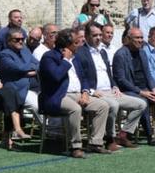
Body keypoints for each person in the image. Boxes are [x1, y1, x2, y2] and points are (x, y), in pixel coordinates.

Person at [38, 29, 110, 158]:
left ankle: (95, 143)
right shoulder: (49, 57)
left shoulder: (76, 57)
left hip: (77, 94)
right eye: (76, 43)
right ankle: (75, 146)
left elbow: (84, 78)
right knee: (75, 109)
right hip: (57, 96)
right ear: (67, 44)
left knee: (102, 106)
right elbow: (56, 76)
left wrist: (85, 92)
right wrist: (66, 60)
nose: (79, 45)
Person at [75, 22, 147, 148]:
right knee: (113, 105)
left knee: (141, 104)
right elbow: (80, 76)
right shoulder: (80, 53)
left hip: (110, 91)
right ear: (86, 36)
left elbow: (109, 73)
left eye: (99, 35)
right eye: (94, 35)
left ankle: (123, 135)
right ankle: (110, 138)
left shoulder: (102, 52)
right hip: (96, 93)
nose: (98, 38)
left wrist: (115, 86)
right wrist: (91, 91)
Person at [112, 26, 155, 145]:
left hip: (146, 89)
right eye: (137, 38)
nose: (140, 40)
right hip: (129, 90)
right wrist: (142, 92)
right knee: (143, 101)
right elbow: (121, 80)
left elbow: (148, 74)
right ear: (129, 39)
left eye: (141, 38)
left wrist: (153, 90)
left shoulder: (142, 53)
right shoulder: (120, 54)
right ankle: (149, 135)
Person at [0, 27, 41, 141]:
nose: (20, 41)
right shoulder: (4, 55)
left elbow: (38, 64)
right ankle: (50, 132)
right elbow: (19, 68)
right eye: (17, 39)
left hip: (36, 85)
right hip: (18, 89)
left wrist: (31, 71)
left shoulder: (25, 51)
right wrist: (29, 70)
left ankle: (56, 130)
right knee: (38, 105)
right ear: (8, 41)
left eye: (22, 39)